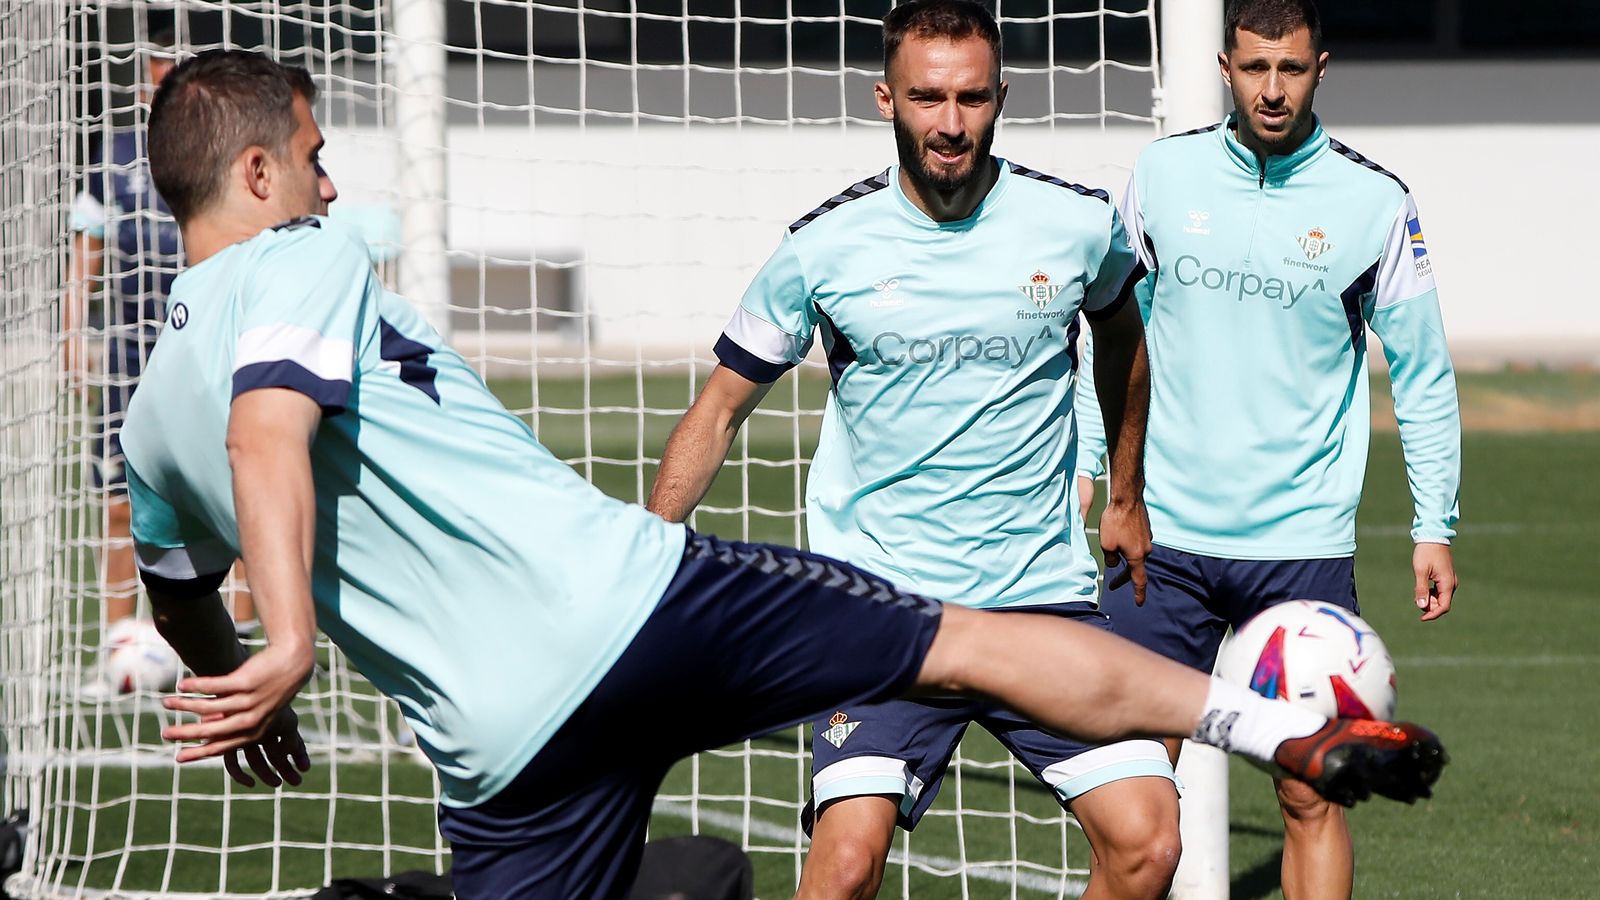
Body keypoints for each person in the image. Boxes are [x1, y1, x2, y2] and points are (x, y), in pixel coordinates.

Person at [122, 49, 1446, 900]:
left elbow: (177, 581)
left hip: (500, 752)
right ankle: (1288, 730)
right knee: (967, 646)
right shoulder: (296, 256)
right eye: (308, 153)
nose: (326, 175)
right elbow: (267, 427)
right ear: (255, 172)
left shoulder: (138, 427)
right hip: (636, 610)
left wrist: (234, 659)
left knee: (1002, 680)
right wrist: (287, 639)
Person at [647, 2, 1182, 896]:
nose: (950, 123)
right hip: (884, 611)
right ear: (885, 98)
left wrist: (1124, 493)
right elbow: (718, 411)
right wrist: (649, 549)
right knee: (847, 868)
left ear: (1001, 95)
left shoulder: (1078, 224)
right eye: (927, 98)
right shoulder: (824, 247)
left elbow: (1124, 343)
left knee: (1148, 842)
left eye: (972, 98)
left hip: (1037, 599)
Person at [1074, 2, 1461, 898]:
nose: (1273, 89)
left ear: (1321, 67)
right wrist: (1097, 472)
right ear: (1224, 65)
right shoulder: (1162, 176)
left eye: (1290, 69)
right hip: (1161, 545)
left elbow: (1424, 373)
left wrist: (1432, 523)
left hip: (1301, 552)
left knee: (1309, 790)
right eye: (1255, 69)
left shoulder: (1375, 201)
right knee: (1130, 798)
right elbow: (1112, 335)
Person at [66, 26, 255, 695]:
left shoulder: (227, 154)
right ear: (144, 69)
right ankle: (118, 645)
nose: (168, 69)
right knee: (118, 504)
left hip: (210, 351)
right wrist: (72, 331)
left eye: (183, 60)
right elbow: (87, 244)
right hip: (129, 356)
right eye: (159, 59)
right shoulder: (115, 153)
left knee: (238, 497)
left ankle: (241, 648)